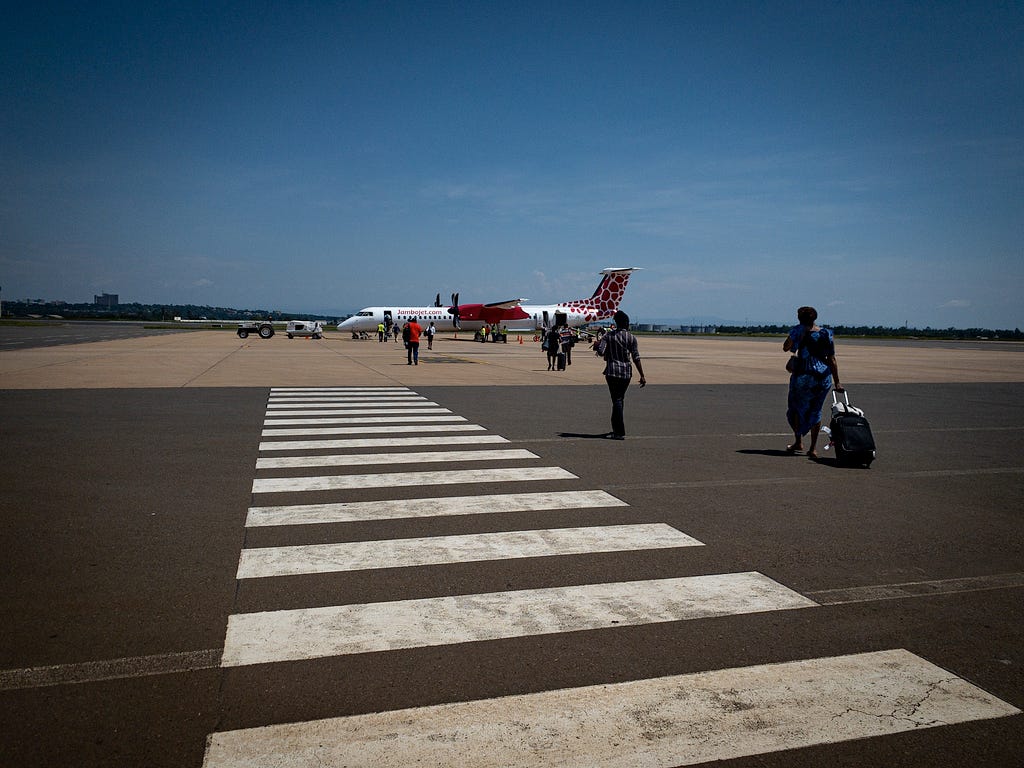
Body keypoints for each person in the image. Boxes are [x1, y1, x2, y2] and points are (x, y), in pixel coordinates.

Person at [783, 306, 843, 458]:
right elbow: (832, 359)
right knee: (816, 410)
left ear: (799, 318)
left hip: (803, 375)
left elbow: (786, 348)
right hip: (822, 377)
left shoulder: (798, 331)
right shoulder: (825, 333)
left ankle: (798, 441)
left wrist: (793, 335)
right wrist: (837, 382)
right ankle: (813, 448)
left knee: (797, 408)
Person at [594, 310, 646, 439]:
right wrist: (642, 375)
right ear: (627, 324)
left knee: (616, 400)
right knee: (620, 399)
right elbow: (636, 357)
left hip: (612, 372)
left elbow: (600, 352)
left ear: (616, 323)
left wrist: (597, 345)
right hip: (626, 373)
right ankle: (616, 429)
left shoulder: (608, 336)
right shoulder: (631, 338)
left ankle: (619, 432)